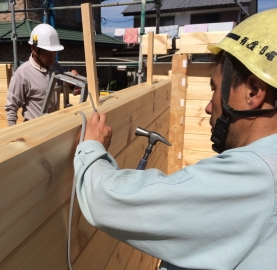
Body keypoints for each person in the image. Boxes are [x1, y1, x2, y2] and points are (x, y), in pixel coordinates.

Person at [73, 8, 277, 270]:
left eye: (214, 89)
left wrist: (92, 148)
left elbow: (110, 201)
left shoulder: (257, 178)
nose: (207, 107)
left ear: (253, 92)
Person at [5, 23, 65, 126]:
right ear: (34, 49)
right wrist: (13, 136)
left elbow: (63, 84)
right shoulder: (22, 74)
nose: (52, 56)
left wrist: (73, 83)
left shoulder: (54, 66)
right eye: (48, 52)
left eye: (54, 52)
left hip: (53, 126)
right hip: (34, 129)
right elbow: (11, 108)